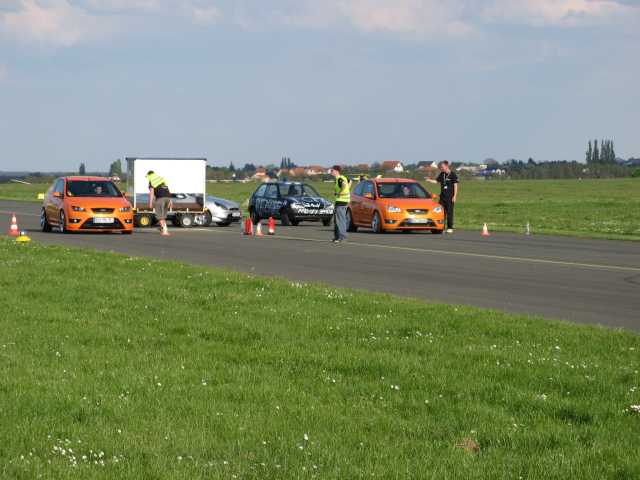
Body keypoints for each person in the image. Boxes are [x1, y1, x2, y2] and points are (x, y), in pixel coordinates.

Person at [425, 161, 458, 233]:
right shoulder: (442, 174)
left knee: (449, 212)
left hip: (450, 197)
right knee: (441, 213)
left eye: (442, 167)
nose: (441, 168)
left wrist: (454, 196)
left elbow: (455, 186)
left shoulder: (453, 175)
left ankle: (450, 227)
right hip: (442, 197)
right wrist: (429, 180)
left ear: (446, 166)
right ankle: (441, 227)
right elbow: (436, 181)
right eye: (440, 167)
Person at [145, 170, 172, 236]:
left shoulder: (151, 181)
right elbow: (167, 190)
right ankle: (163, 228)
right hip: (167, 198)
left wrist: (150, 203)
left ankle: (165, 231)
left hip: (160, 199)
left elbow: (152, 193)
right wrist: (170, 201)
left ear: (149, 176)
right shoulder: (161, 179)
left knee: (160, 216)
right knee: (163, 216)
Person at [330, 165, 351, 244]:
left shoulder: (339, 179)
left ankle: (343, 237)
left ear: (336, 171)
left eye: (332, 171)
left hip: (341, 202)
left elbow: (344, 185)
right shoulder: (342, 178)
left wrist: (339, 193)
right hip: (341, 201)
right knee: (336, 220)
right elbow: (350, 181)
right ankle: (337, 237)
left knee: (340, 220)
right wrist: (347, 190)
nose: (331, 172)